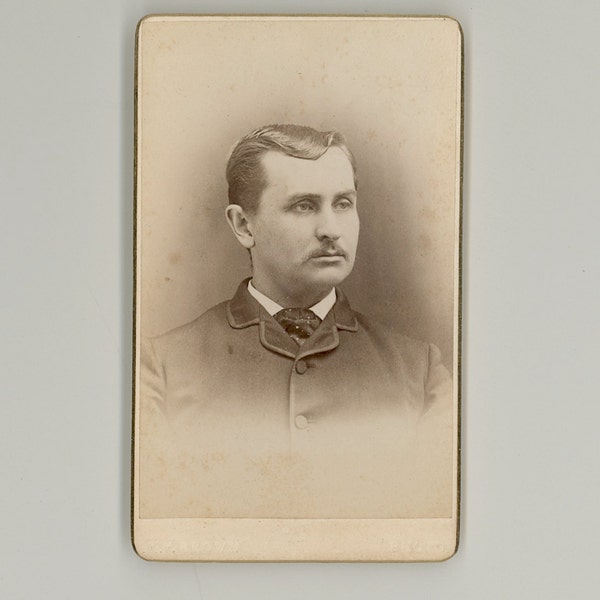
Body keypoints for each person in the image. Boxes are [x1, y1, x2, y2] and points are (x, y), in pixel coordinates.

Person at [139, 124, 453, 519]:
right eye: (304, 205)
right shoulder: (161, 367)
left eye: (343, 203)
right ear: (243, 225)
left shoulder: (420, 371)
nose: (331, 230)